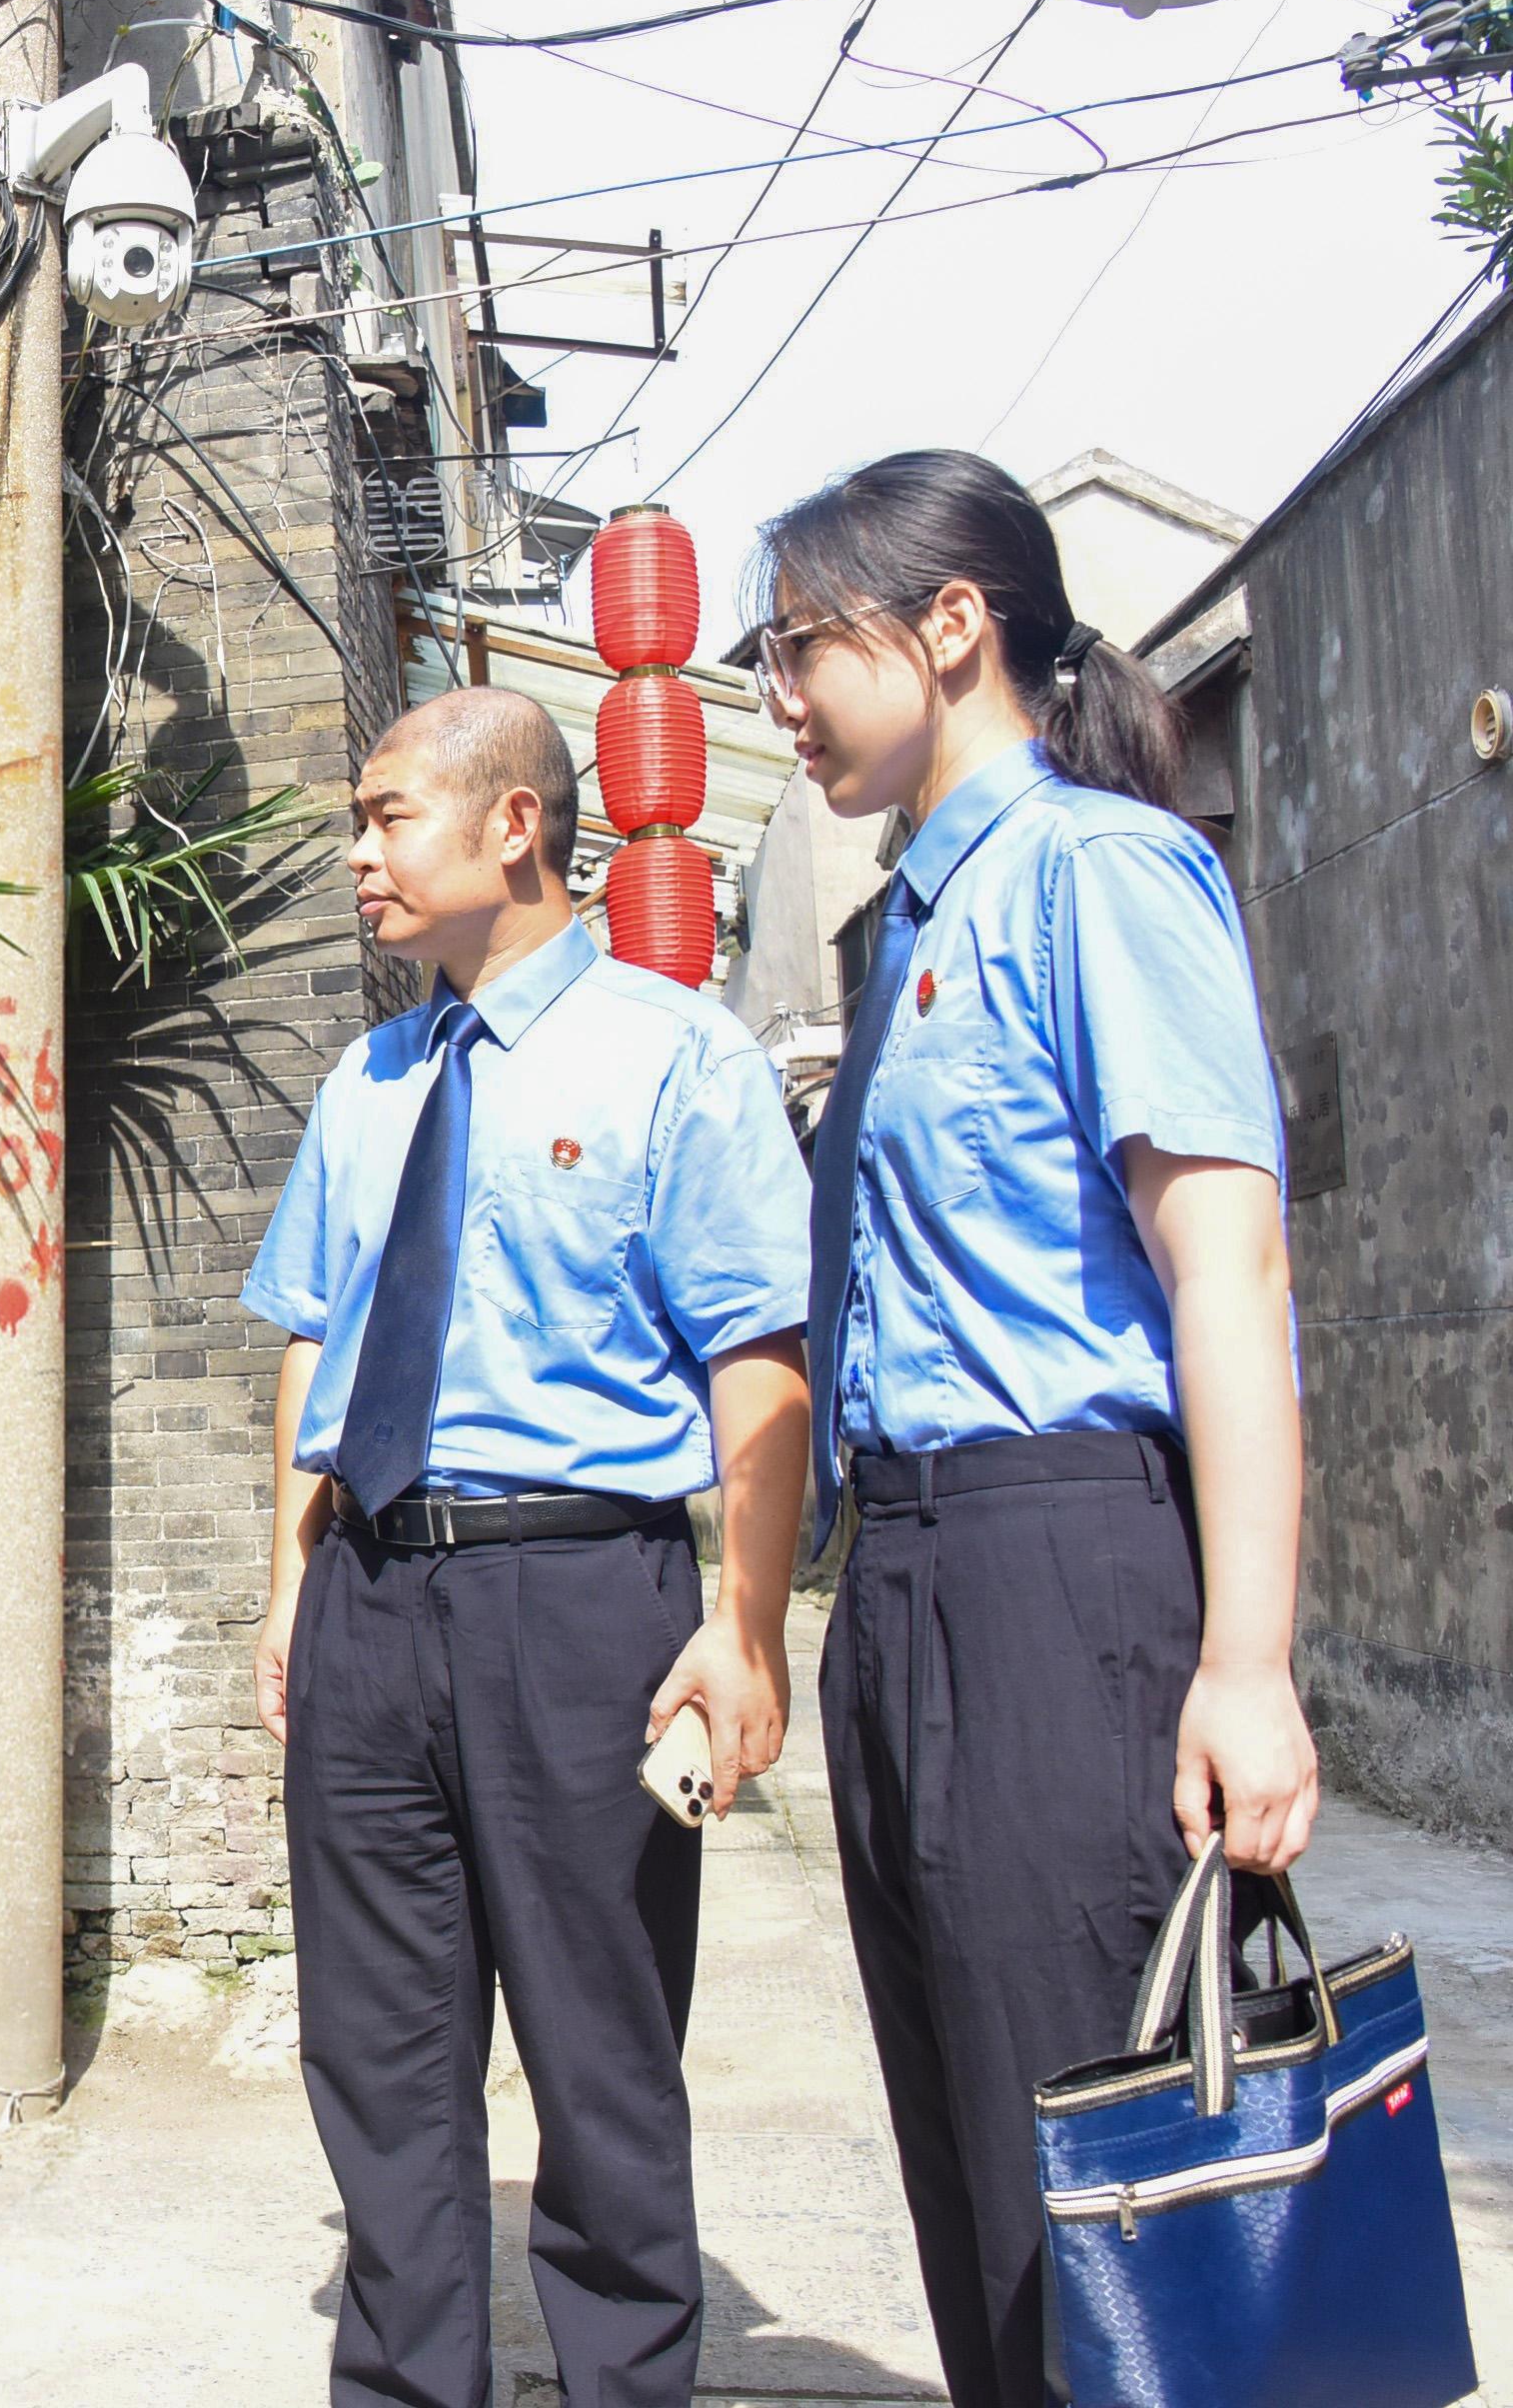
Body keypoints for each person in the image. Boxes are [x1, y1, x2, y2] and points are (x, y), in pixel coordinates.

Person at [752, 449, 1319, 2408]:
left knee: (1106, 2175)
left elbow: (1224, 1268)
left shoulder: (1098, 875)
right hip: (905, 1581)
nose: (779, 695)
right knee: (983, 2178)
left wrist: (1246, 1663)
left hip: (1058, 1567)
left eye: (803, 644)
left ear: (949, 626)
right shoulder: (916, 919)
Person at [245, 685, 813, 2408]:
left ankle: (624, 2379)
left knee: (600, 2050)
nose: (358, 854)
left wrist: (747, 1624)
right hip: (368, 1596)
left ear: (514, 827)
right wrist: (288, 1589)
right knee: (379, 2054)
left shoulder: (677, 1055)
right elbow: (314, 1336)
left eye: (386, 815)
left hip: (580, 1598)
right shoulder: (369, 1081)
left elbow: (759, 1360)